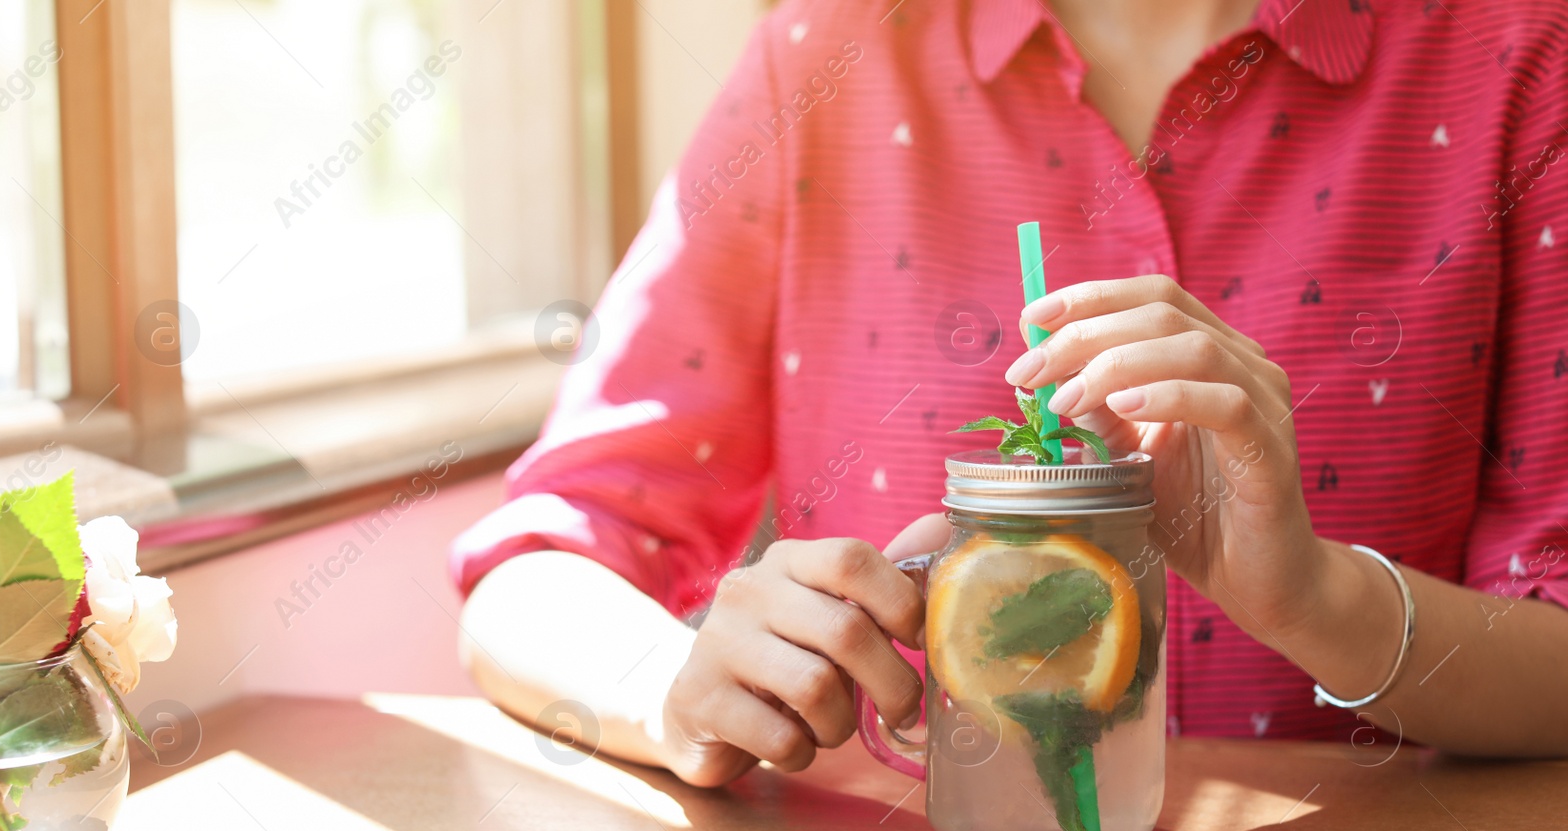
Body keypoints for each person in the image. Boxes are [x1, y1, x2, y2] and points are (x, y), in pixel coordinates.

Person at [451, 0, 1568, 786]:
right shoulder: (820, 57)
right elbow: (538, 573)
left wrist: (1320, 600)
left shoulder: (1521, 57)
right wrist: (668, 689)